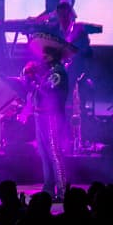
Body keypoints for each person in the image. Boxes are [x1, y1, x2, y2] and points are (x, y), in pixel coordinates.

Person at [23, 32, 72, 202]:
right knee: (44, 153)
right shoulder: (48, 70)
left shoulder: (58, 72)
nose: (42, 56)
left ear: (53, 55)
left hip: (52, 117)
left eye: (46, 53)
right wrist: (30, 76)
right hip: (40, 116)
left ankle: (63, 191)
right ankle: (49, 189)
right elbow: (31, 89)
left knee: (54, 153)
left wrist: (35, 79)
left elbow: (48, 92)